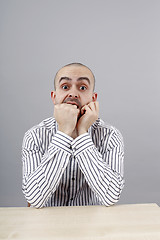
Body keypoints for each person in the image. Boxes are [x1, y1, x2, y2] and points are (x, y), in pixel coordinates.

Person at [22, 63, 124, 208]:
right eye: (65, 87)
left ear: (93, 98)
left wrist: (82, 133)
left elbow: (111, 196)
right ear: (54, 96)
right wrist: (64, 132)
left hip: (94, 226)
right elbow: (34, 199)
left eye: (82, 87)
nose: (73, 94)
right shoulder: (35, 136)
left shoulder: (110, 135)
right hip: (47, 226)